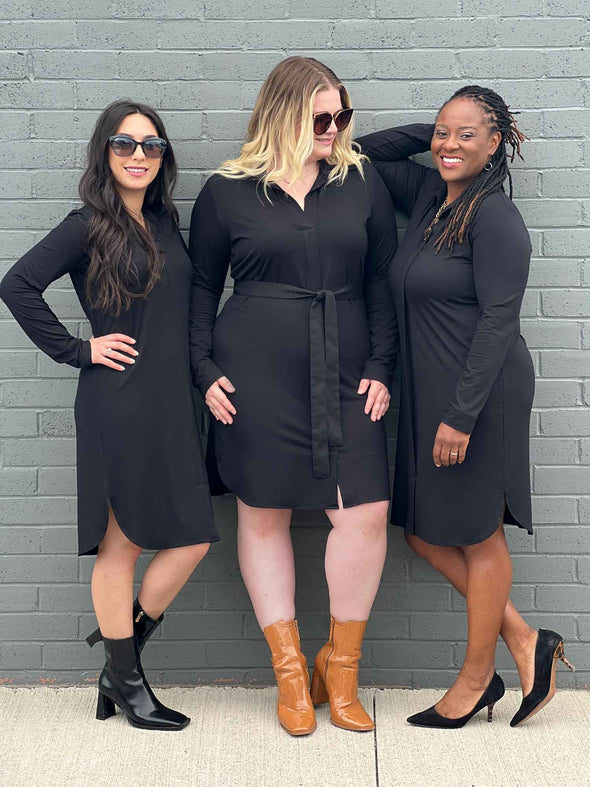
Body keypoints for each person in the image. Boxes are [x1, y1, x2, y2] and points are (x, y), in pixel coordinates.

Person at [189, 56, 398, 735]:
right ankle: (289, 672)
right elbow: (201, 289)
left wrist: (383, 362)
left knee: (363, 515)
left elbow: (380, 282)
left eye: (343, 115)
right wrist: (203, 367)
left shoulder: (360, 181)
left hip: (347, 371)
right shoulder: (225, 193)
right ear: (282, 115)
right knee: (264, 516)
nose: (335, 127)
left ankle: (340, 667)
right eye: (321, 117)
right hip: (254, 374)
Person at [357, 85, 575, 729]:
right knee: (424, 531)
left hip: (480, 395)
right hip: (431, 391)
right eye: (443, 135)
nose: (449, 146)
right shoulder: (428, 196)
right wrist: (446, 128)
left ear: (497, 143)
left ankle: (477, 679)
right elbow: (358, 153)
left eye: (467, 136)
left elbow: (499, 322)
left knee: (481, 535)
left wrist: (461, 415)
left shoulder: (494, 218)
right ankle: (526, 640)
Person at [0, 100, 219, 731]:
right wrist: (79, 349)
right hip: (116, 402)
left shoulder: (167, 223)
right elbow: (17, 286)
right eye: (126, 145)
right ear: (105, 153)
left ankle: (118, 667)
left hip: (172, 403)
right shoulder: (85, 227)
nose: (140, 156)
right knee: (121, 544)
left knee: (195, 537)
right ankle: (127, 683)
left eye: (152, 146)